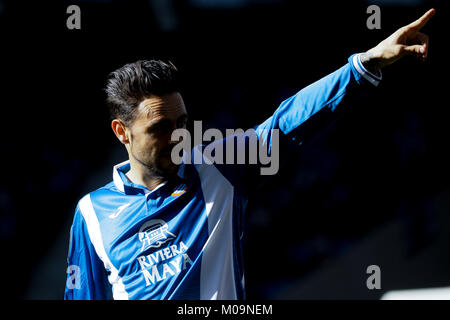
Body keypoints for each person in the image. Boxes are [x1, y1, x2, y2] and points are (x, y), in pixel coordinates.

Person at [64, 9, 435, 300]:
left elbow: (286, 122)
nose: (178, 136)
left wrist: (365, 63)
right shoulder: (93, 215)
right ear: (121, 132)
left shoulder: (218, 168)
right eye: (160, 127)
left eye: (183, 122)